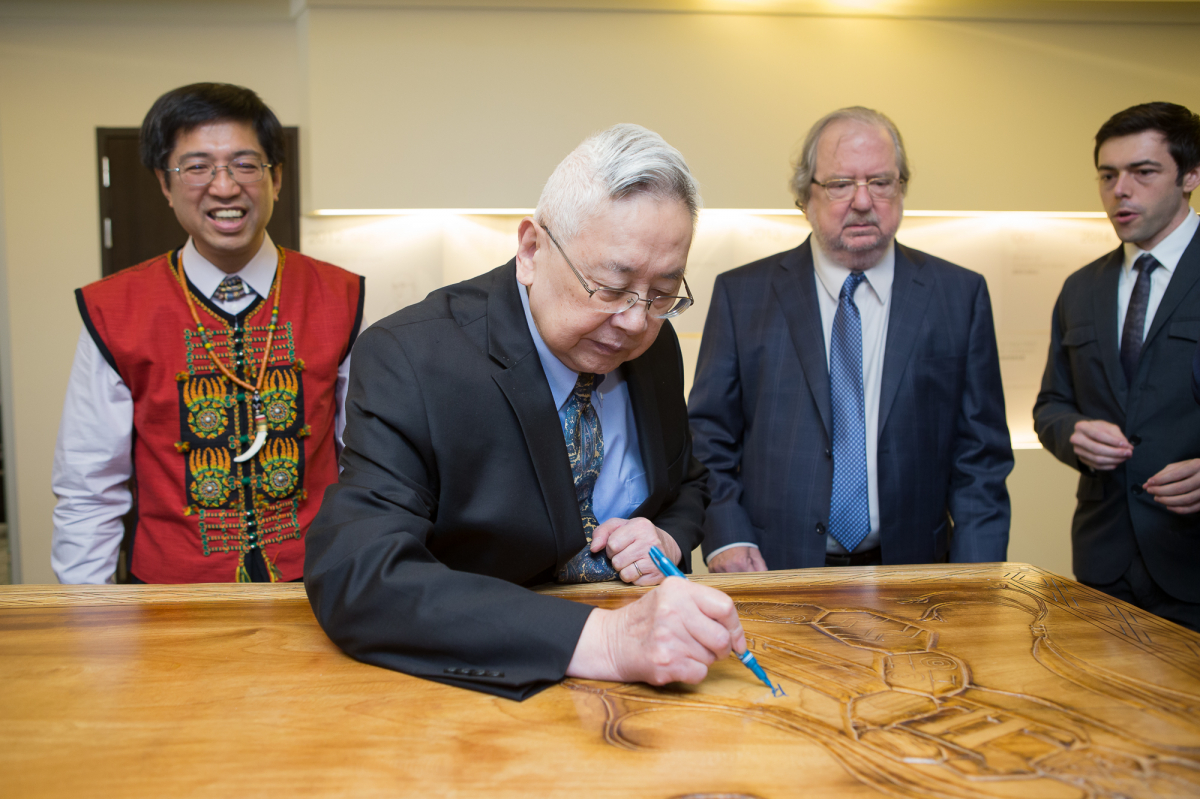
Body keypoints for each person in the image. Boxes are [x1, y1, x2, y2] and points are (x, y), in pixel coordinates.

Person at [305, 124, 746, 701]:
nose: (635, 321)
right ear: (533, 251)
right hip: (478, 687)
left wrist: (663, 536)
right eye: (610, 287)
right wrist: (607, 640)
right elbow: (361, 576)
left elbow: (685, 480)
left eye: (662, 293)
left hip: (653, 682)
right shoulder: (412, 358)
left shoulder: (650, 343)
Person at [52, 83, 364, 584]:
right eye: (197, 167)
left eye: (245, 164)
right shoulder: (113, 310)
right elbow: (89, 487)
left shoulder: (342, 297)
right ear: (165, 183)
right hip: (169, 602)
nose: (223, 187)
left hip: (318, 591)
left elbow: (368, 466)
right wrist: (91, 623)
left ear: (276, 177)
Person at [688, 106, 1013, 573]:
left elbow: (981, 459)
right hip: (775, 569)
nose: (863, 202)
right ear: (805, 197)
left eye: (880, 182)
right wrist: (725, 536)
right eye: (840, 184)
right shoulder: (743, 295)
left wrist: (978, 578)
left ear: (901, 188)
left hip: (916, 571)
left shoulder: (959, 296)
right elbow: (708, 437)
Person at [1034, 102, 1200, 631]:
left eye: (1143, 172)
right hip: (1103, 565)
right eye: (1108, 176)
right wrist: (1073, 432)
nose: (1120, 190)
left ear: (1191, 175)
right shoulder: (1082, 288)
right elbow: (1050, 406)